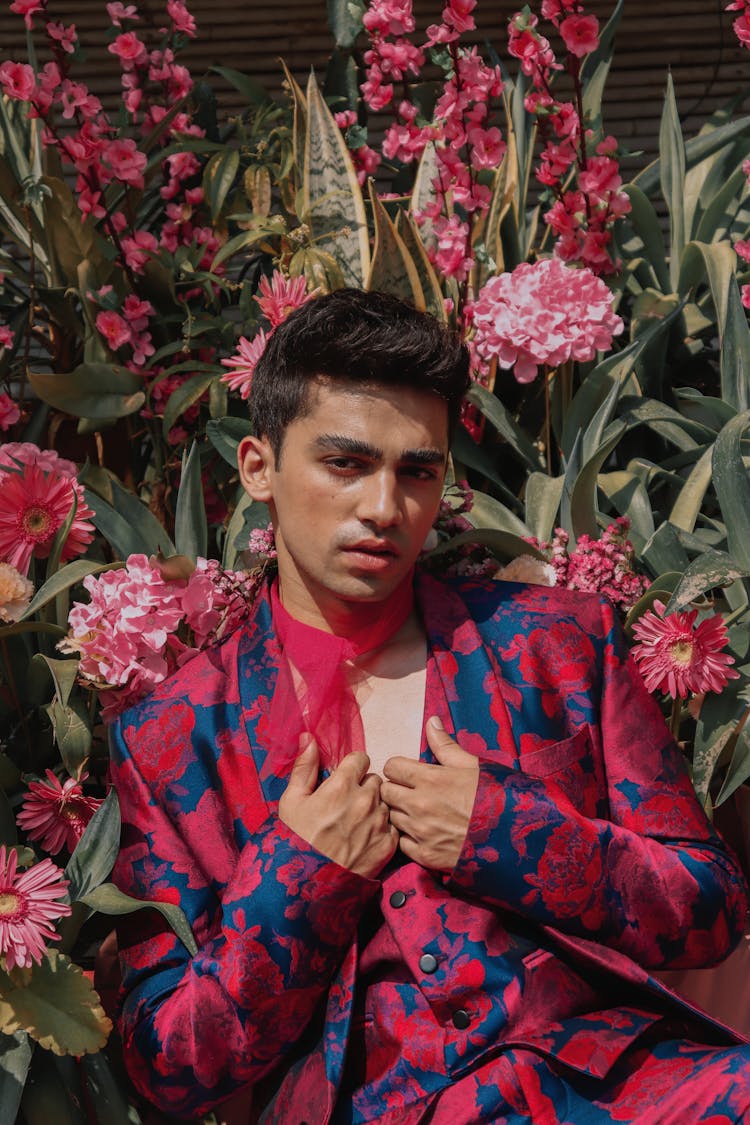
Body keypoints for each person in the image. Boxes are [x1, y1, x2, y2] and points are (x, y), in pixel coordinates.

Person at [109, 288, 750, 1124]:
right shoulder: (171, 740)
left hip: (622, 1090)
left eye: (417, 471)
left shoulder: (554, 646)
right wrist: (300, 880)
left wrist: (514, 834)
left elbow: (712, 909)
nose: (385, 507)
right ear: (259, 468)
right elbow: (165, 1061)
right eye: (346, 464)